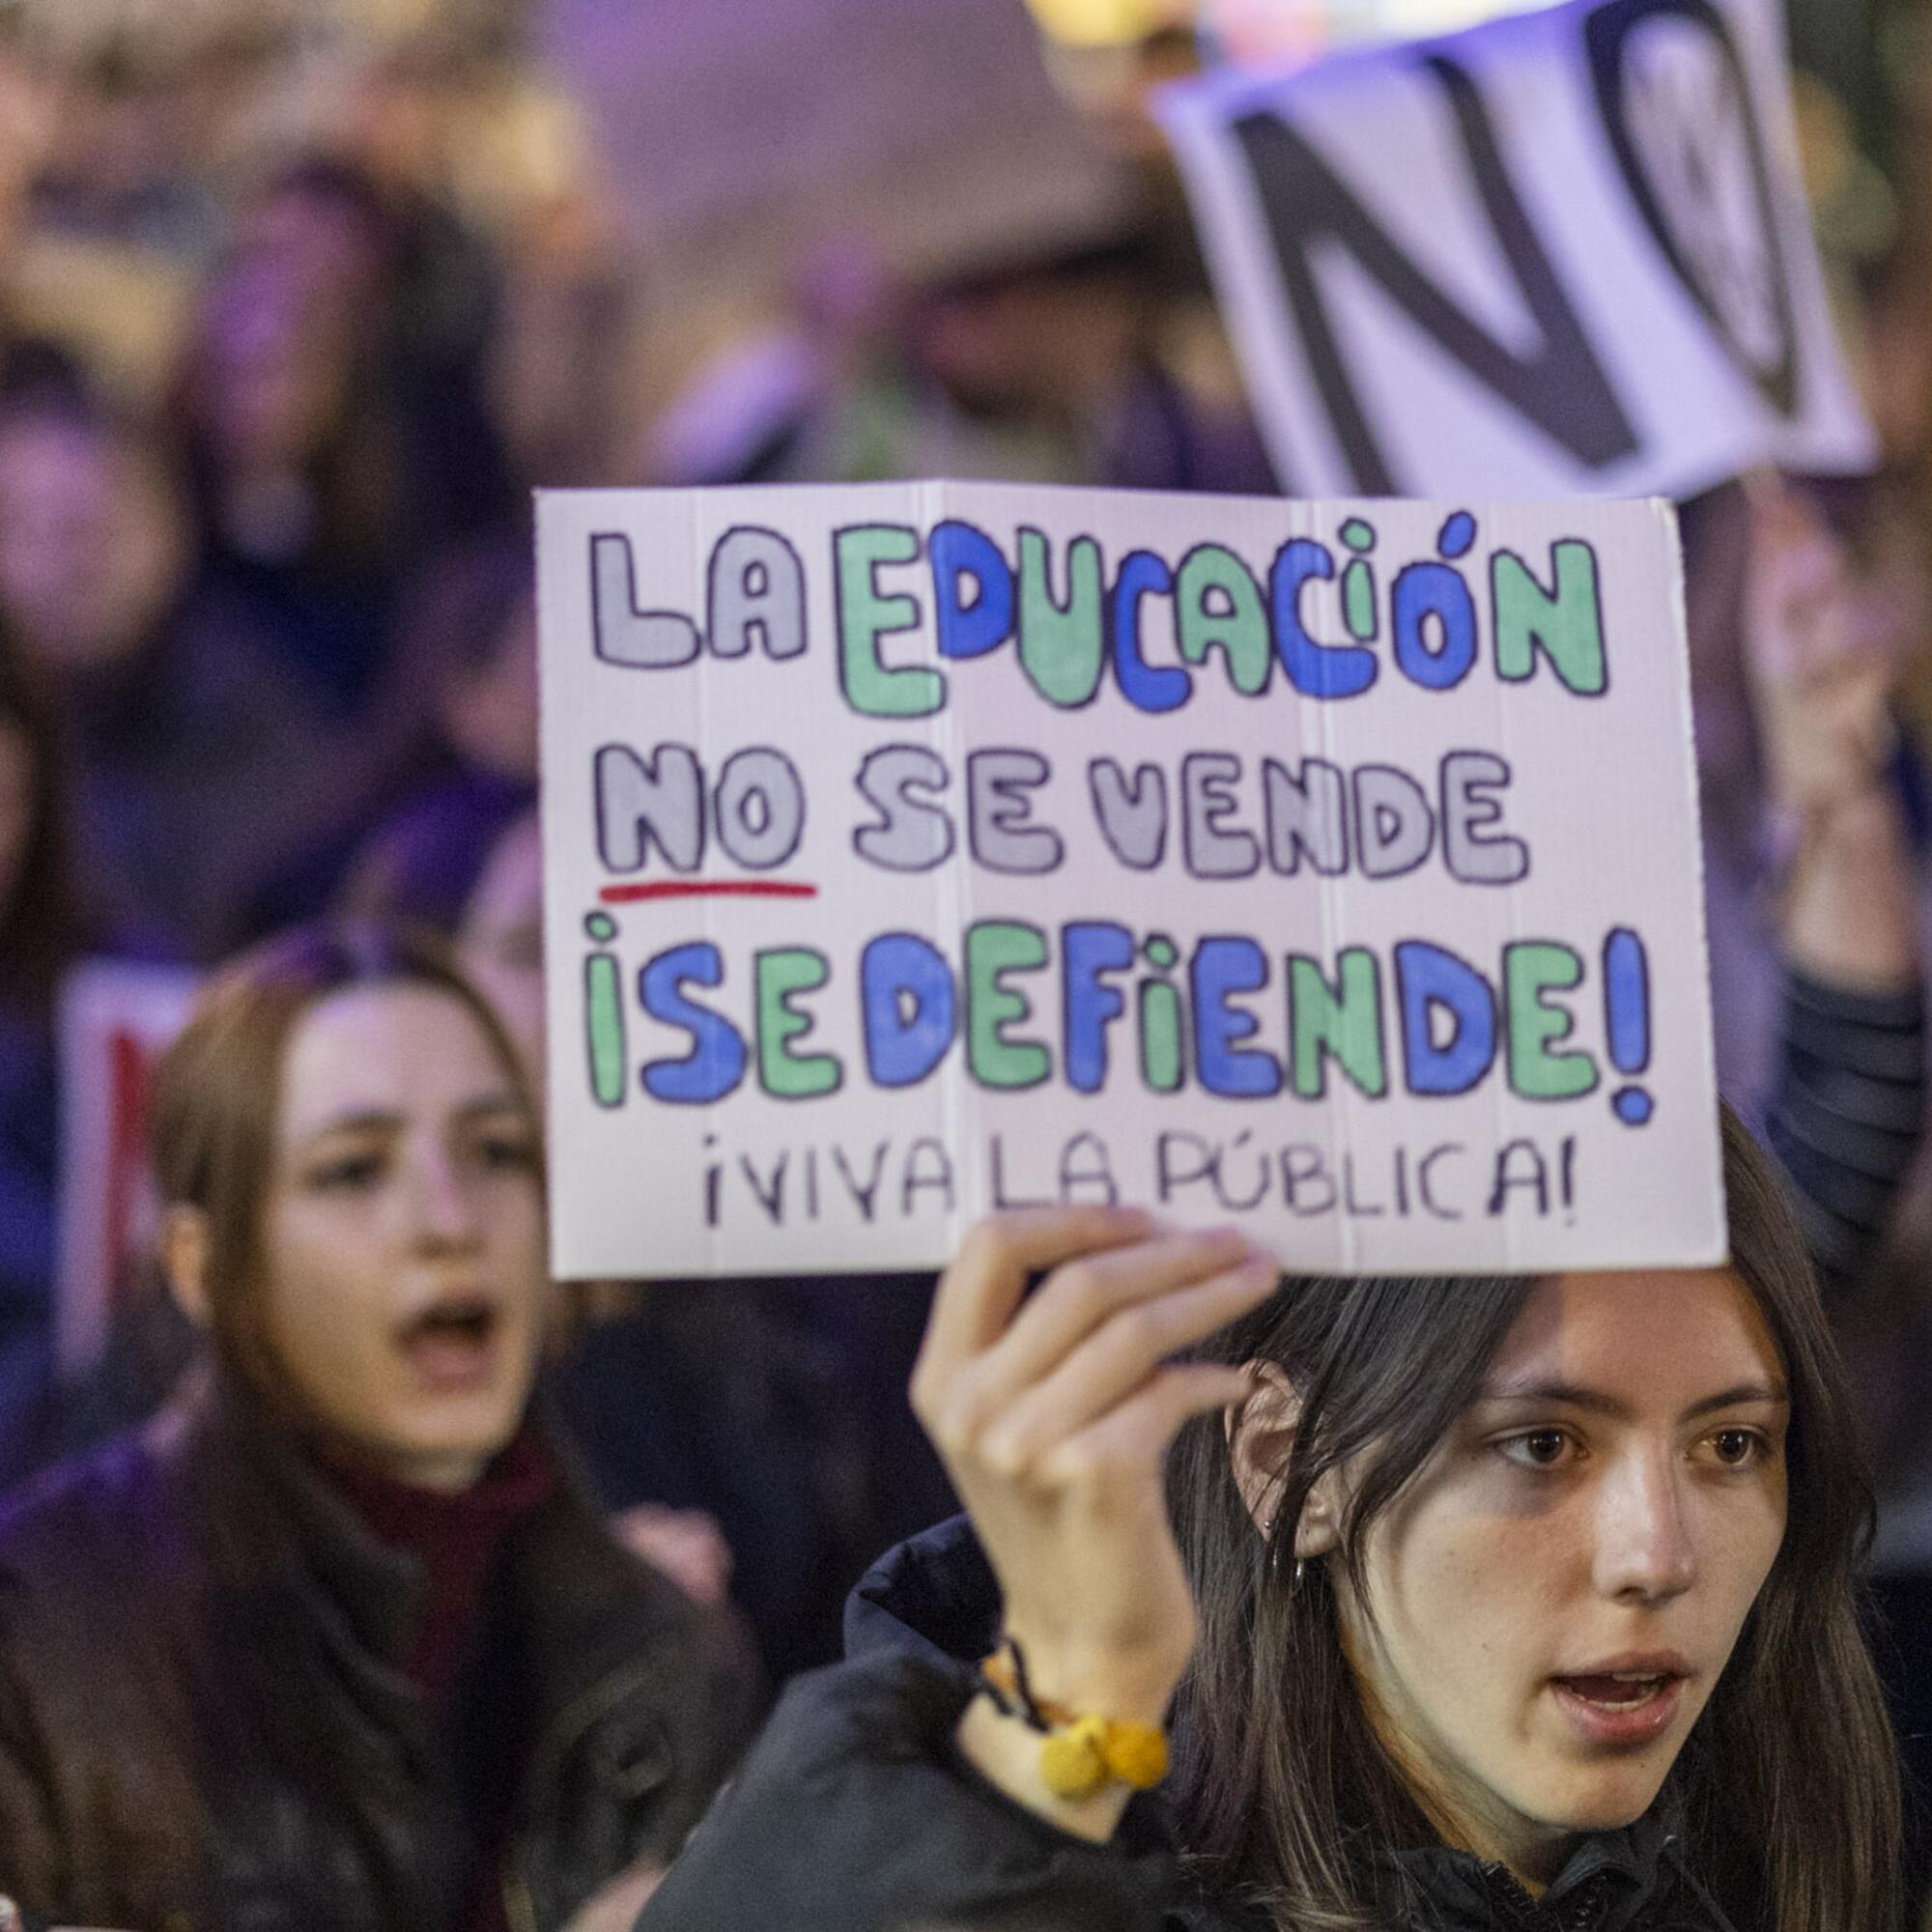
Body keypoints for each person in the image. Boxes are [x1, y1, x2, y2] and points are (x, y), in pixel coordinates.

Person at [640, 1106, 1900, 1932]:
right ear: (1283, 1459)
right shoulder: (1045, 1831)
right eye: (1540, 1444)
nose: (1658, 1555)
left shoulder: (1803, 1833)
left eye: (1730, 1445)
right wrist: (1073, 1706)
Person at [0, 923, 755, 1932]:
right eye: (355, 1169)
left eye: (496, 1151)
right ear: (203, 1268)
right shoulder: (38, 1633)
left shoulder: (664, 1649)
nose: (450, 1218)